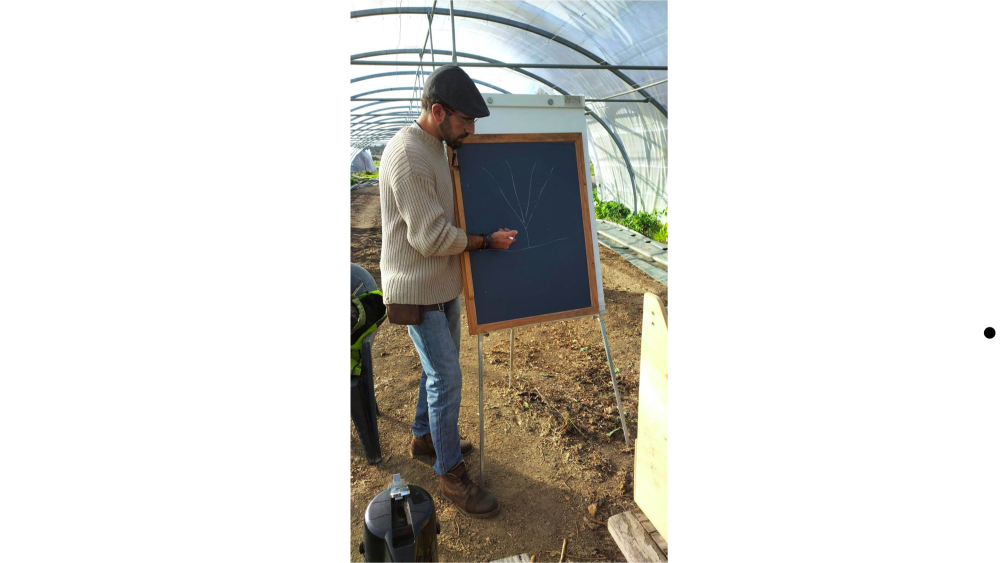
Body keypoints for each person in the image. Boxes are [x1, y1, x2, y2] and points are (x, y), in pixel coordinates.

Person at [378, 64, 514, 519]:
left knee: (438, 371)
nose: (471, 131)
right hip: (417, 290)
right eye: (466, 121)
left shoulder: (437, 144)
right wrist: (483, 241)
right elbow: (430, 238)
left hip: (440, 285)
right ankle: (451, 474)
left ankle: (424, 437)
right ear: (438, 111)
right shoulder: (408, 155)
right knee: (445, 377)